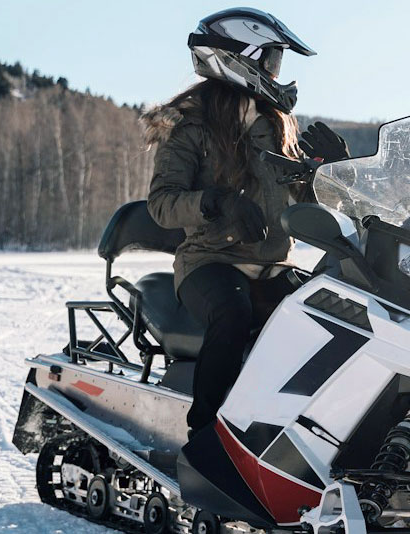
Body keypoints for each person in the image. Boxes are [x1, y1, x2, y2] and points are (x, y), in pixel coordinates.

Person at [142, 7, 351, 431]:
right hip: (209, 263)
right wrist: (215, 202)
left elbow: (304, 199)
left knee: (336, 320)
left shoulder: (275, 124)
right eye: (271, 60)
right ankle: (204, 440)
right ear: (241, 59)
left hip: (275, 262)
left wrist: (335, 172)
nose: (276, 72)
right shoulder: (189, 123)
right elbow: (162, 203)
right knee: (232, 315)